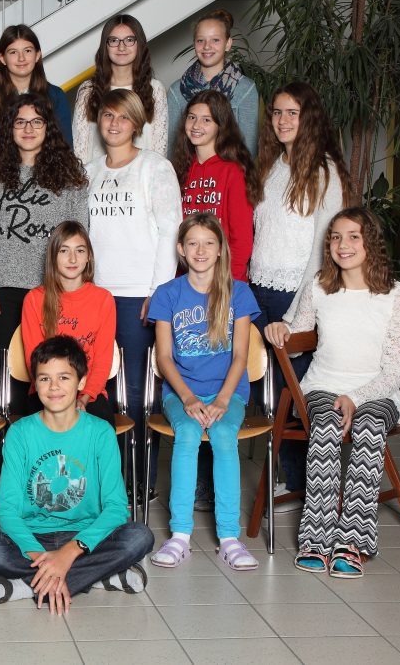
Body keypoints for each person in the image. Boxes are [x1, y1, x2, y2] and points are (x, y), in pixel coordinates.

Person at [265, 207, 400, 578]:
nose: (342, 245)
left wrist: (357, 398)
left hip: (378, 392)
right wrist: (282, 331)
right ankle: (316, 540)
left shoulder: (398, 297)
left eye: (353, 237)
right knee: (327, 423)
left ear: (371, 242)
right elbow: (297, 339)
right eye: (335, 237)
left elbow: (396, 370)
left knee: (369, 426)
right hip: (323, 386)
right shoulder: (320, 286)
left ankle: (352, 543)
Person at [0, 336, 154, 614]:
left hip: (85, 537)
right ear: (35, 384)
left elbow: (116, 508)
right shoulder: (19, 433)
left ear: (81, 382)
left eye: (64, 377)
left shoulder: (101, 432)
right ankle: (97, 577)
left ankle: (22, 585)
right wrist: (41, 557)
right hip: (33, 537)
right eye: (44, 379)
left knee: (140, 536)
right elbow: (6, 508)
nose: (54, 387)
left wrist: (69, 553)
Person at [250, 81, 350, 501]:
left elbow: (325, 249)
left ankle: (309, 487)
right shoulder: (271, 166)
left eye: (292, 112)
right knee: (272, 390)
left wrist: (296, 314)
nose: (283, 120)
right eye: (277, 112)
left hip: (297, 293)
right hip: (259, 290)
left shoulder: (324, 171)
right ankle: (291, 477)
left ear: (309, 118)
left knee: (302, 393)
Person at [147, 213, 262, 571]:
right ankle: (180, 536)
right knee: (187, 432)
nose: (201, 250)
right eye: (193, 243)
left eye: (209, 243)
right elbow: (164, 358)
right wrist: (188, 398)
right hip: (182, 393)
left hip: (228, 392)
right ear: (181, 249)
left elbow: (240, 355)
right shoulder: (167, 294)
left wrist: (224, 399)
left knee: (224, 435)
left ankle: (229, 538)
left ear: (220, 249)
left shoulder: (238, 292)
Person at [86, 88, 181, 501]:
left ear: (137, 124)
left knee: (139, 391)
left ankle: (140, 480)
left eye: (123, 117)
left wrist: (158, 292)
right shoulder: (90, 171)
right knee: (99, 386)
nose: (114, 123)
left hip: (139, 294)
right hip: (96, 294)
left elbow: (171, 230)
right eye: (108, 115)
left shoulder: (155, 167)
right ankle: (106, 477)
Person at [0, 94, 89, 361]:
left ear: (48, 126)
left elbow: (80, 235)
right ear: (10, 128)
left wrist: (74, 285)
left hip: (54, 286)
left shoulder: (70, 174)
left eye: (36, 121)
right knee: (10, 366)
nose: (28, 129)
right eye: (20, 122)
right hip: (6, 289)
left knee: (51, 364)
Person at [21, 221, 117, 423]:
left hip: (88, 392)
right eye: (64, 251)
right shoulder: (34, 299)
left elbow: (103, 360)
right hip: (46, 390)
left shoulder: (103, 299)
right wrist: (58, 395)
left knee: (102, 425)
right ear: (53, 256)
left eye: (80, 251)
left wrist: (84, 397)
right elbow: (34, 359)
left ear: (88, 256)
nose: (72, 259)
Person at [171, 89, 257, 281]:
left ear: (221, 125)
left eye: (206, 120)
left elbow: (242, 239)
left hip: (223, 280)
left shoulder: (233, 171)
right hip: (187, 280)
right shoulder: (179, 170)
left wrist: (230, 282)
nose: (196, 125)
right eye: (192, 117)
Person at [0, 24, 73, 181]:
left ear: (37, 55)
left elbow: (66, 151)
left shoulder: (55, 97)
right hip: (0, 186)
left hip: (47, 185)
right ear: (2, 58)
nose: (21, 58)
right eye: (13, 52)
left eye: (28, 51)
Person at [73, 13, 168, 163]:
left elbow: (159, 150)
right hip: (96, 175)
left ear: (139, 44)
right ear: (105, 45)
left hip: (142, 174)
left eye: (129, 40)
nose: (121, 47)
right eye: (114, 40)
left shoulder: (155, 89)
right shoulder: (88, 90)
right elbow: (80, 150)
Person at [166, 9, 259, 157]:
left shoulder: (245, 89)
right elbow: (172, 149)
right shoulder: (177, 90)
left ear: (228, 44)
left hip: (230, 169)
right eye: (200, 40)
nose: (207, 46)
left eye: (215, 40)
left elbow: (249, 150)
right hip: (189, 169)